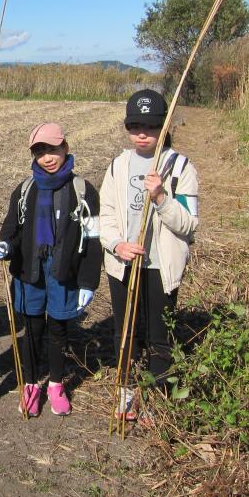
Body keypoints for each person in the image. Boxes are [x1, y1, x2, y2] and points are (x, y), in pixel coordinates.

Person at [99, 89, 199, 422]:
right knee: (126, 331)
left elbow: (188, 225)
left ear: (164, 126)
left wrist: (160, 197)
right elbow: (107, 215)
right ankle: (126, 391)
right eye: (136, 126)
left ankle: (157, 396)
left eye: (152, 126)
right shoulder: (117, 166)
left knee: (160, 333)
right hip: (125, 265)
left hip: (161, 266)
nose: (143, 133)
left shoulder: (180, 167)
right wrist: (117, 245)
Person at [0, 123, 102, 417]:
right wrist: (5, 246)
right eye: (40, 152)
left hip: (63, 273)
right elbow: (11, 228)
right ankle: (30, 384)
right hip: (29, 272)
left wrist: (88, 281)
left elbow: (93, 240)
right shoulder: (24, 189)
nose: (47, 157)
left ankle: (55, 385)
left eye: (52, 149)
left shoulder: (82, 190)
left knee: (58, 331)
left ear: (65, 148)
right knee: (32, 331)